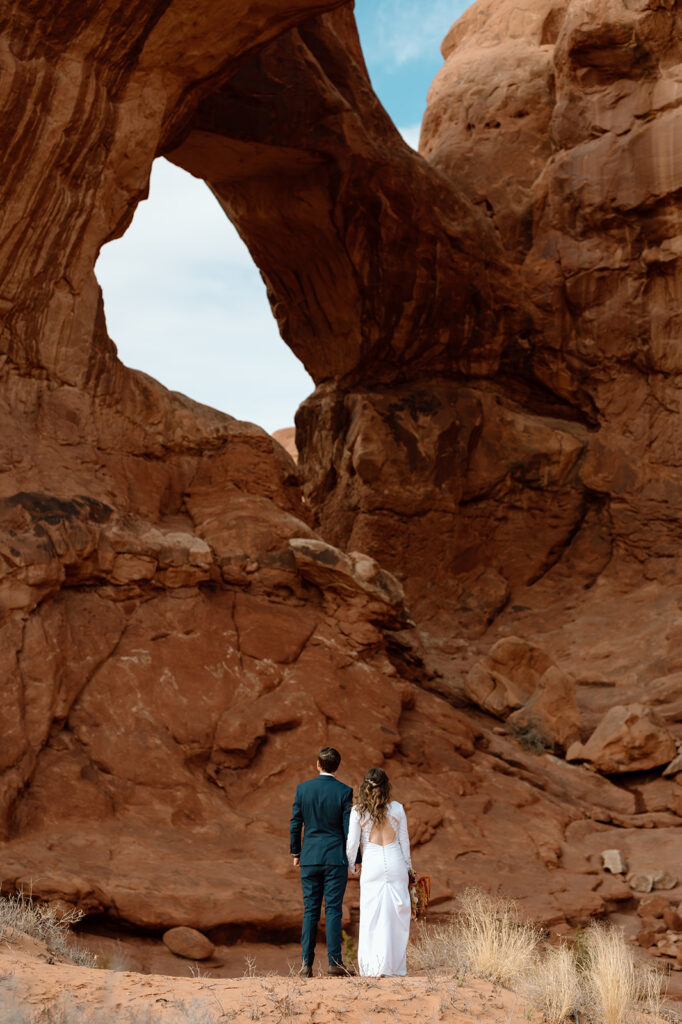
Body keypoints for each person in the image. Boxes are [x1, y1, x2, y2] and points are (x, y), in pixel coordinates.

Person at [289, 746, 353, 977]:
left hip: (310, 857)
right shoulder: (344, 791)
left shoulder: (303, 789)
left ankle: (306, 965)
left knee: (310, 911)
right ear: (337, 766)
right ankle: (334, 962)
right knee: (334, 910)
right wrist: (355, 857)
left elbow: (296, 823)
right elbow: (349, 829)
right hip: (336, 857)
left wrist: (296, 852)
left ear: (318, 764)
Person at [346, 767, 412, 977]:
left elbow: (352, 844)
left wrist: (352, 865)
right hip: (396, 863)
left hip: (372, 864)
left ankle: (373, 968)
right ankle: (393, 968)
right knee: (396, 916)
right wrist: (409, 869)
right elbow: (405, 844)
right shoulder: (397, 809)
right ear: (386, 786)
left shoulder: (358, 811)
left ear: (365, 786)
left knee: (372, 915)